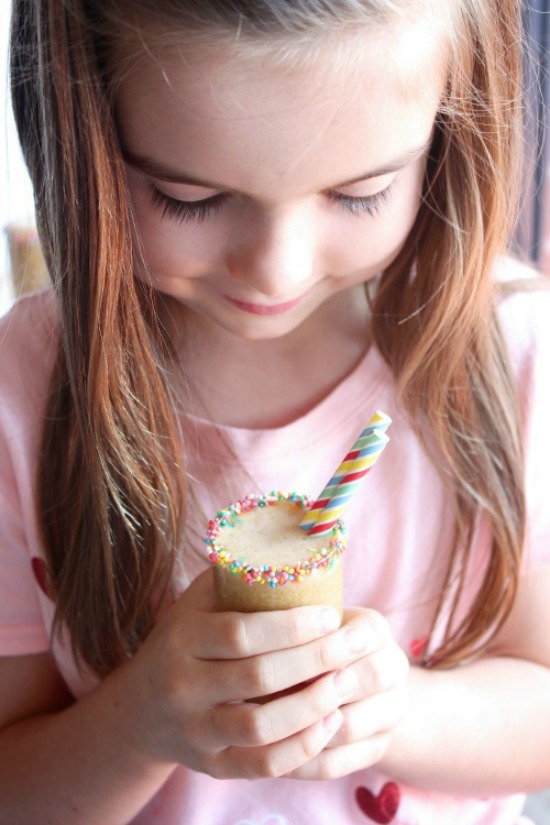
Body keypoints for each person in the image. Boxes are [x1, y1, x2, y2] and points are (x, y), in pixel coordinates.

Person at [1, 0, 549, 822]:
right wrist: (140, 723)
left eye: (361, 193)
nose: (273, 272)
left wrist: (385, 708)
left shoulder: (517, 361)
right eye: (189, 197)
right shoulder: (27, 389)